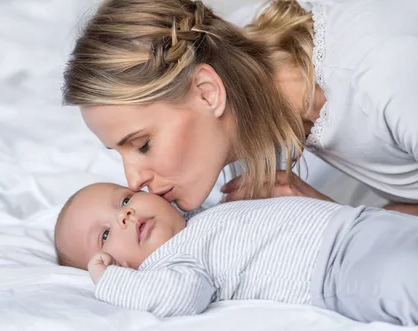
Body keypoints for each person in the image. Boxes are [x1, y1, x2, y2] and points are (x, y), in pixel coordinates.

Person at [62, 0, 418, 215]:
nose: (133, 181)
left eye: (142, 145)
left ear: (207, 91)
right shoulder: (236, 50)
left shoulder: (383, 80)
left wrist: (334, 215)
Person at [54, 182, 418, 325]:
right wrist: (110, 281)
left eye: (125, 199)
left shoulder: (197, 217)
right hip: (340, 271)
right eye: (104, 234)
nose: (124, 215)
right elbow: (180, 297)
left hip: (362, 224)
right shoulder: (172, 265)